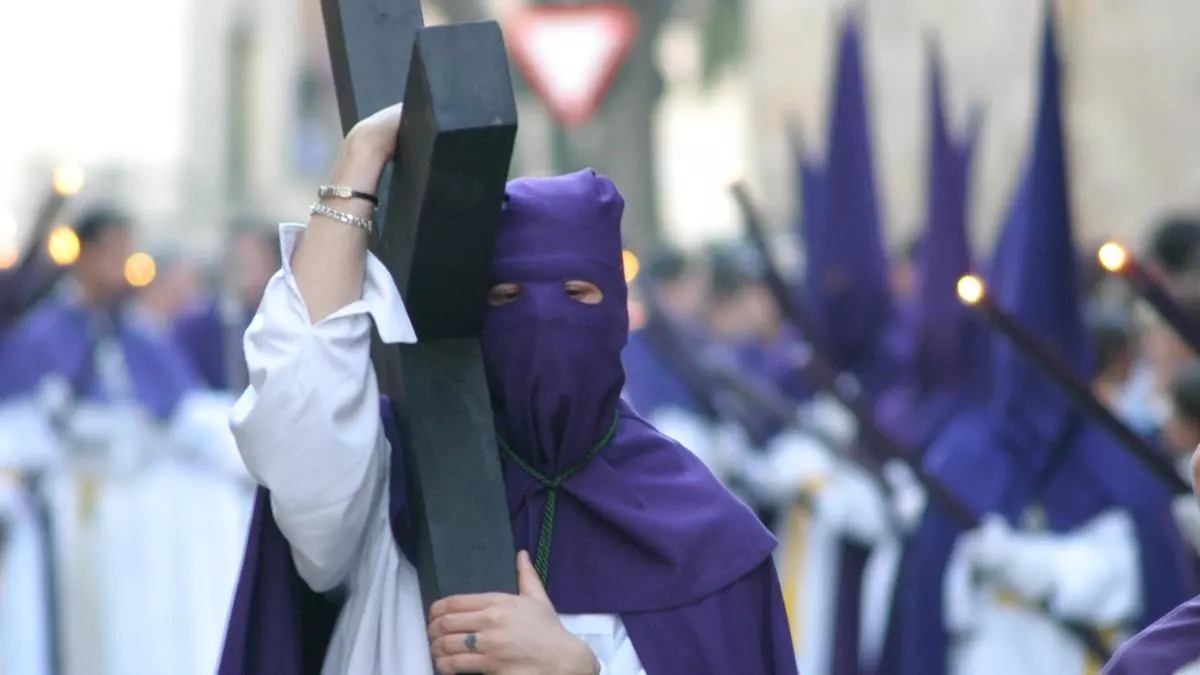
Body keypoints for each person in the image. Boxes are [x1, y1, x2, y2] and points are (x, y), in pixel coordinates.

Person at [218, 102, 797, 675]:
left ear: (617, 314)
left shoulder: (702, 535)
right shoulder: (392, 474)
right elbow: (297, 405)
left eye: (577, 293)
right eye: (506, 298)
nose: (543, 321)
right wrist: (360, 158)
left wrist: (576, 670)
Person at [0, 207, 248, 675]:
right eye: (114, 251)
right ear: (86, 255)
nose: (124, 262)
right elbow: (19, 430)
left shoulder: (140, 333)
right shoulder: (42, 335)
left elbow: (182, 410)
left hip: (145, 526)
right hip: (75, 516)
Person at [174, 223, 281, 391]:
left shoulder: (283, 320)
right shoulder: (196, 325)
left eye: (250, 262)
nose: (241, 271)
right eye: (236, 261)